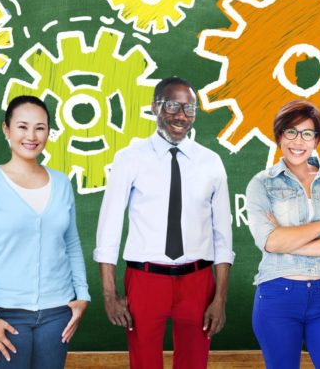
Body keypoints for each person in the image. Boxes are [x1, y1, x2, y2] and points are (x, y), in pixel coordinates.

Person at [94, 76, 233, 369]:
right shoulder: (129, 159)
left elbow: (222, 235)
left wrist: (219, 298)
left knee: (194, 364)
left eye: (189, 108)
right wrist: (109, 294)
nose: (181, 116)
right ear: (155, 107)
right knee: (144, 363)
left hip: (198, 280)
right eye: (172, 106)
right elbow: (109, 229)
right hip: (145, 280)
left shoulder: (211, 162)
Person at [0, 95, 90, 368]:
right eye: (22, 126)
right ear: (6, 130)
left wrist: (82, 297)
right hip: (5, 315)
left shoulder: (62, 183)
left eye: (40, 128)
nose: (31, 136)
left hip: (57, 314)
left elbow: (72, 244)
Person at [244, 100, 320, 369]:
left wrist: (287, 240)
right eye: (291, 132)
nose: (299, 141)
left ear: (316, 139)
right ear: (279, 136)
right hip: (276, 296)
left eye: (307, 133)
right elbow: (269, 241)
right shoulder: (262, 183)